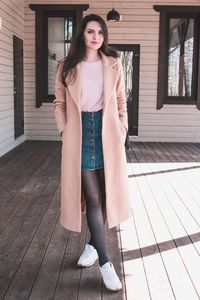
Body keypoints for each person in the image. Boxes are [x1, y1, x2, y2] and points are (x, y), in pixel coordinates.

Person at [53, 14, 131, 292]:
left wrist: (122, 127)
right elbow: (59, 103)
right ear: (82, 35)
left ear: (104, 36)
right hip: (80, 132)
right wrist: (65, 130)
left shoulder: (113, 63)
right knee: (94, 197)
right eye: (90, 31)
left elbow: (121, 99)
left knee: (108, 193)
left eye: (100, 32)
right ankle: (106, 263)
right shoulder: (67, 66)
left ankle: (92, 244)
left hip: (107, 132)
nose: (95, 36)